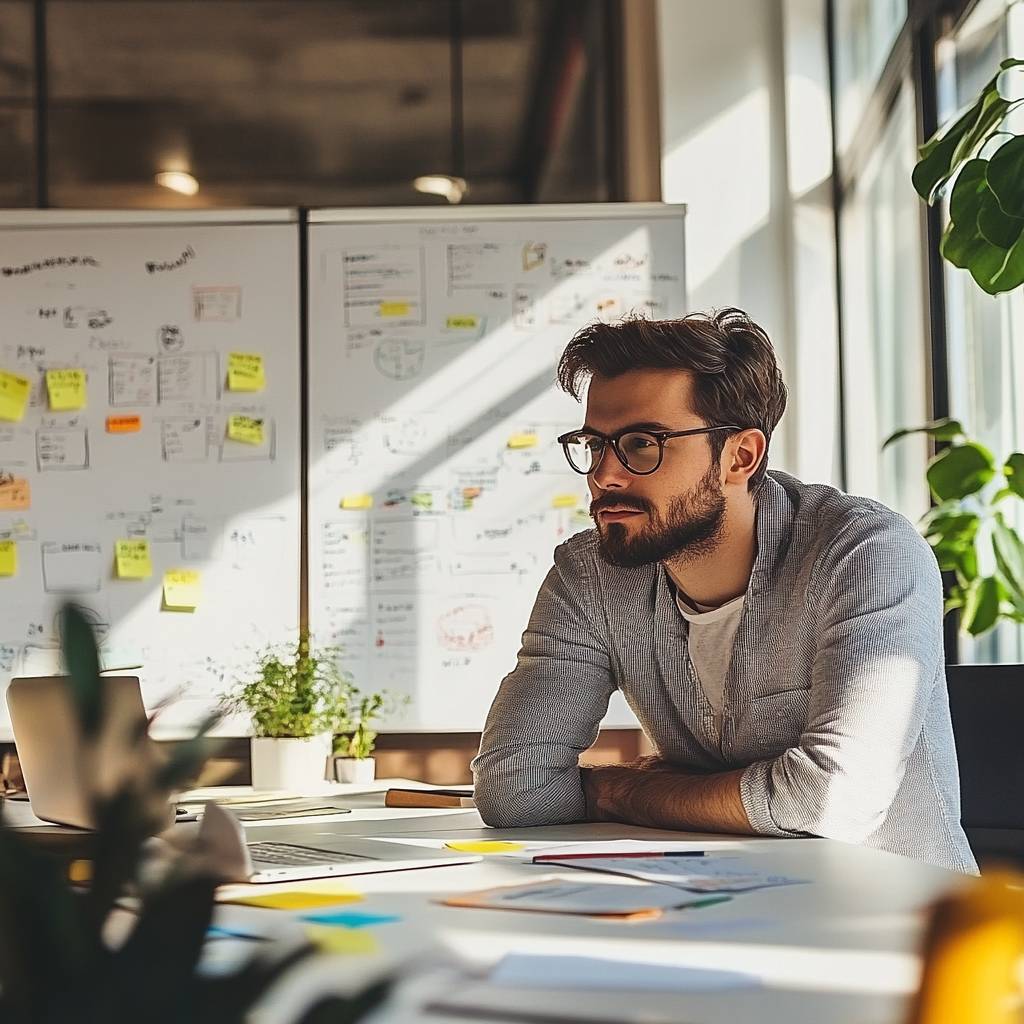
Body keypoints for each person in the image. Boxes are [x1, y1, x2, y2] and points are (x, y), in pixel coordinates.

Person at [472, 308, 976, 874]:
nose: (604, 475)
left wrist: (619, 790)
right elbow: (515, 787)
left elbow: (832, 797)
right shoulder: (590, 574)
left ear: (740, 456)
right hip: (706, 905)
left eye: (641, 444)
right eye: (594, 445)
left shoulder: (862, 553)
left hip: (900, 925)